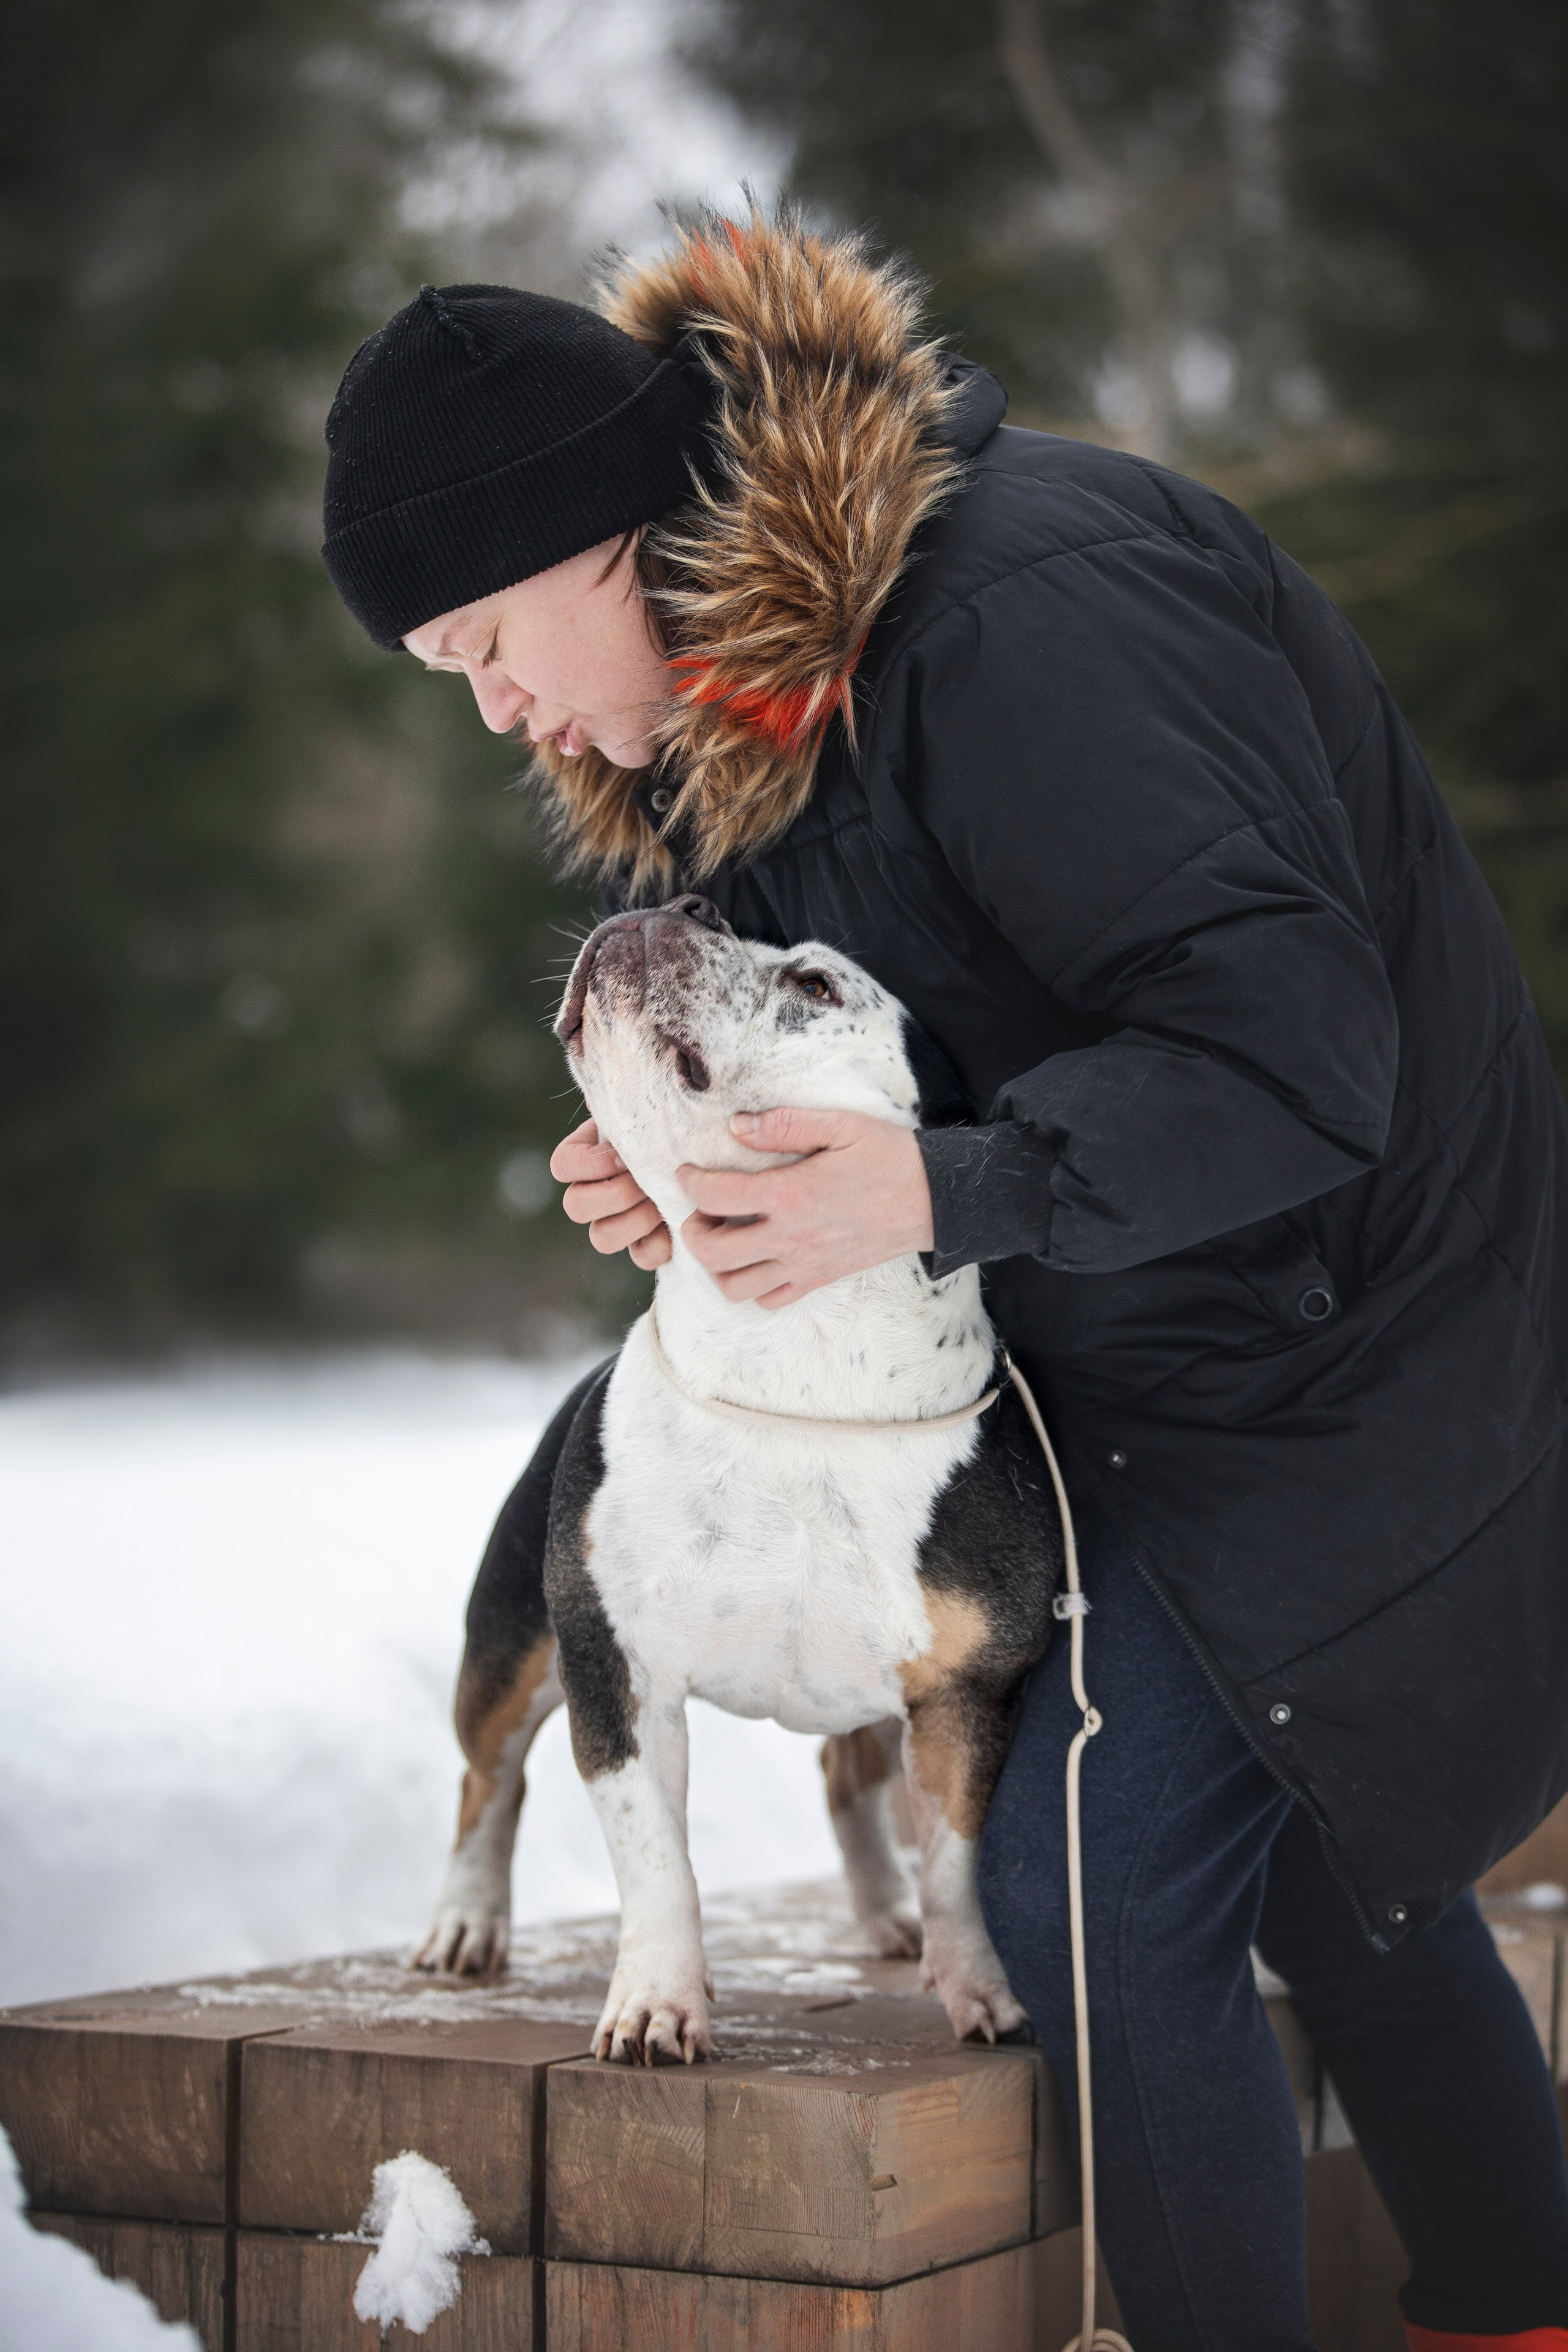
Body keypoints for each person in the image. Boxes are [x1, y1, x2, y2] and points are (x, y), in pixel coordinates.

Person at [319, 211, 1568, 2349]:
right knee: (1299, 1839)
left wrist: (928, 1188)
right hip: (1148, 1323)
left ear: (613, 535)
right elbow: (910, 1059)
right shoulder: (736, 719)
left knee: (1096, 1870)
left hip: (1345, 1331)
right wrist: (704, 1173)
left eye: (488, 637)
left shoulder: (1023, 616)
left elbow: (1297, 1057)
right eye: (449, 677)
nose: (496, 701)